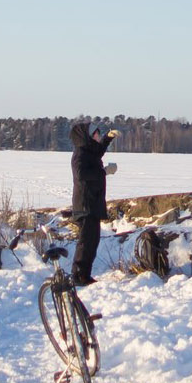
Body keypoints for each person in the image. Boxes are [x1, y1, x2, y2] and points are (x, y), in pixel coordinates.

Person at [69, 120, 118, 285]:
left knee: (93, 241)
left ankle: (84, 274)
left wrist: (108, 138)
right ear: (87, 136)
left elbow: (98, 150)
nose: (98, 136)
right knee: (86, 242)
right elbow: (81, 174)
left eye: (98, 133)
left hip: (92, 204)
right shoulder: (80, 154)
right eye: (95, 134)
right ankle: (78, 275)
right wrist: (103, 172)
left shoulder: (89, 151)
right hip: (85, 205)